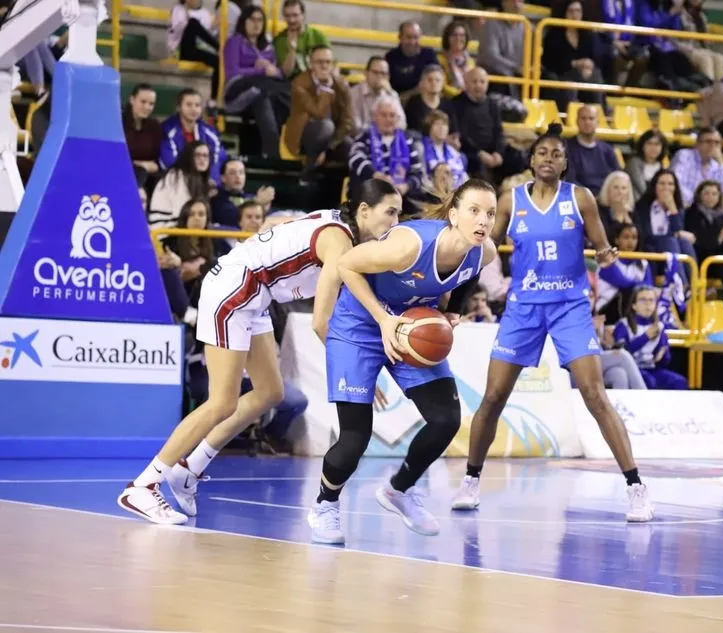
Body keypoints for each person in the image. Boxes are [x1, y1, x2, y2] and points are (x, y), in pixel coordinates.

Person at [117, 180, 403, 525]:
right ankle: (143, 485)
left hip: (257, 293)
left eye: (399, 214)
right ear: (364, 211)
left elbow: (276, 225)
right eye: (390, 212)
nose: (395, 222)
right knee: (221, 402)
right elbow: (321, 323)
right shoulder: (339, 241)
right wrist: (355, 372)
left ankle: (190, 468)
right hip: (237, 288)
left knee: (270, 392)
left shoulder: (342, 228)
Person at [450, 124, 655, 522]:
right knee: (493, 397)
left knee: (595, 394)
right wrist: (456, 299)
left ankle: (636, 487)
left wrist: (610, 259)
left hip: (569, 306)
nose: (548, 158)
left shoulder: (580, 198)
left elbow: (602, 249)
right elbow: (482, 252)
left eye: (556, 154)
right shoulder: (509, 201)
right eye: (541, 152)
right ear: (531, 160)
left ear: (564, 164)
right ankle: (471, 481)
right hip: (523, 308)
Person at [308, 179, 499, 544]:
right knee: (355, 438)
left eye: (490, 213)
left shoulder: (483, 251)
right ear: (453, 215)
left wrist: (454, 311)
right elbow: (347, 265)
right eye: (474, 211)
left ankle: (399, 490)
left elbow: (468, 276)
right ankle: (325, 505)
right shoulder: (409, 246)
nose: (483, 220)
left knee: (446, 419)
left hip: (410, 325)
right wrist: (383, 319)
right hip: (360, 325)